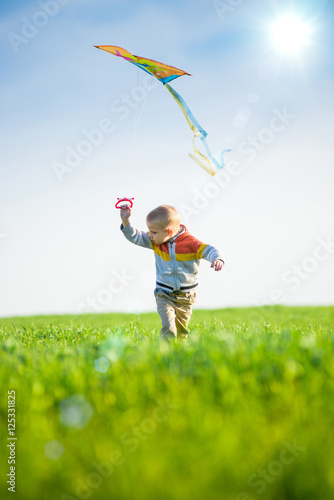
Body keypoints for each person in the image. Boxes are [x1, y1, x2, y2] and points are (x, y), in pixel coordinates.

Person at [120, 204, 224, 342]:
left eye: (154, 232)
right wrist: (126, 221)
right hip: (164, 294)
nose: (150, 235)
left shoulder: (190, 243)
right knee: (169, 328)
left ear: (168, 232)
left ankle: (179, 355)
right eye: (149, 231)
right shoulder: (156, 242)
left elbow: (209, 250)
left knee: (181, 333)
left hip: (186, 297)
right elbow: (136, 236)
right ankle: (165, 352)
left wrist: (217, 258)